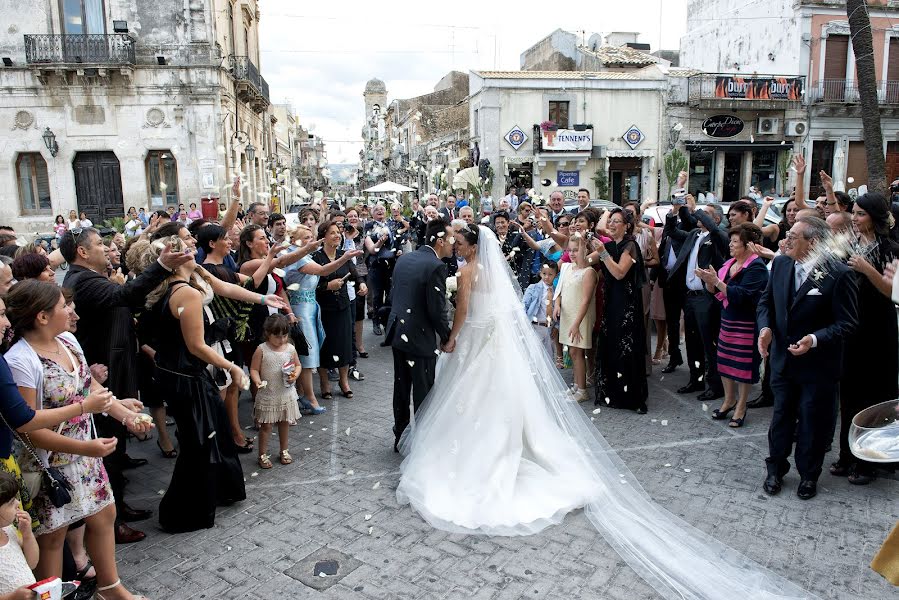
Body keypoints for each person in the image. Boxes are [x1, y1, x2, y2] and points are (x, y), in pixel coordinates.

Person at [395, 224, 815, 600]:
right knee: (497, 402)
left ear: (470, 246)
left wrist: (452, 338)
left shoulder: (468, 272)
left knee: (474, 402)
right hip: (493, 344)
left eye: (459, 240)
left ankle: (480, 457)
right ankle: (511, 446)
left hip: (475, 341)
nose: (455, 245)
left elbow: (466, 313)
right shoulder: (485, 270)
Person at [5, 281, 151, 600]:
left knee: (104, 514)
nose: (71, 311)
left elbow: (90, 390)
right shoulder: (21, 360)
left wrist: (125, 413)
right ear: (42, 316)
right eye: (63, 306)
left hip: (85, 452)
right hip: (49, 463)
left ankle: (110, 588)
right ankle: (53, 596)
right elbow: (28, 427)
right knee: (53, 537)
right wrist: (84, 447)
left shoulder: (69, 341)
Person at [141, 236, 284, 533]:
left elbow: (226, 288)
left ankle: (219, 491)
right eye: (189, 250)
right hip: (185, 374)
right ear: (175, 260)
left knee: (210, 432)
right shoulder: (186, 294)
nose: (196, 251)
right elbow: (195, 345)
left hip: (180, 371)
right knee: (198, 441)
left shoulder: (190, 279)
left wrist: (262, 299)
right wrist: (232, 367)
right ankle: (182, 512)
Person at [61, 227, 190, 543]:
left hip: (115, 370)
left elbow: (121, 304)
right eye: (99, 244)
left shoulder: (88, 278)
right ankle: (112, 521)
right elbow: (122, 296)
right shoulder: (82, 281)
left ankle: (120, 506)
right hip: (105, 374)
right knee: (109, 446)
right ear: (81, 251)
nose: (106, 249)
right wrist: (159, 265)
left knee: (116, 445)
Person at [757, 216, 859, 500]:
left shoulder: (838, 273)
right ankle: (775, 469)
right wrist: (765, 328)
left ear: (813, 242)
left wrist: (814, 340)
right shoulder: (780, 264)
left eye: (793, 237)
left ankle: (809, 475)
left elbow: (848, 323)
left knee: (812, 422)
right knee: (780, 419)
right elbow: (766, 302)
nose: (785, 241)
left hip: (818, 366)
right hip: (782, 361)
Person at [831, 192, 899, 485]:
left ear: (875, 217)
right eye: (854, 213)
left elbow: (891, 291)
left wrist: (866, 269)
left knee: (873, 395)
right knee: (849, 394)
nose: (855, 219)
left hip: (878, 330)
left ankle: (868, 461)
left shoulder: (891, 248)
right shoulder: (847, 245)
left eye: (860, 214)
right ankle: (847, 454)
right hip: (851, 327)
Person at [386, 218, 454, 453]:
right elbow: (436, 310)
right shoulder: (436, 266)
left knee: (401, 387)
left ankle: (400, 435)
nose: (453, 244)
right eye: (451, 239)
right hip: (420, 337)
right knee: (423, 390)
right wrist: (447, 336)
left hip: (398, 332)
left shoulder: (405, 259)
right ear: (440, 241)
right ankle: (421, 441)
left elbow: (395, 294)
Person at [696, 223, 769, 427]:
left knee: (743, 366)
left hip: (746, 322)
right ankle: (729, 400)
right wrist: (709, 281)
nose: (730, 245)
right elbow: (717, 293)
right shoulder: (729, 263)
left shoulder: (756, 267)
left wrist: (717, 282)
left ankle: (741, 406)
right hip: (728, 319)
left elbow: (743, 295)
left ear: (748, 245)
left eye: (735, 242)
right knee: (725, 361)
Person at [662, 198, 728, 401]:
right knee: (692, 340)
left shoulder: (718, 236)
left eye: (705, 214)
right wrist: (674, 211)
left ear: (715, 218)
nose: (698, 217)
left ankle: (715, 385)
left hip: (706, 297)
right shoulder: (694, 234)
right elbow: (672, 232)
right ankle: (696, 378)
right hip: (689, 295)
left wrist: (694, 208)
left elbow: (716, 233)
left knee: (708, 341)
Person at [592, 208, 648, 412]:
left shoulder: (629, 245)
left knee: (627, 348)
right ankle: (614, 394)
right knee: (612, 345)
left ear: (627, 226)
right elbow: (600, 227)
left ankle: (633, 398)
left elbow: (619, 273)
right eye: (612, 221)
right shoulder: (612, 243)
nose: (612, 224)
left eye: (618, 221)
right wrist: (607, 212)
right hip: (612, 300)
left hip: (626, 303)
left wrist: (603, 253)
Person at [312, 222, 366, 400]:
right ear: (323, 237)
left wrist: (362, 284)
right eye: (332, 233)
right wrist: (327, 285)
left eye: (338, 232)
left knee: (344, 344)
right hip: (324, 308)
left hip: (342, 306)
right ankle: (325, 382)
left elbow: (354, 273)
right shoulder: (316, 258)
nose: (337, 235)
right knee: (325, 345)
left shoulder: (344, 255)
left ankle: (344, 381)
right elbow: (310, 285)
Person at [249, 314, 301, 469]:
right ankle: (262, 454)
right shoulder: (262, 350)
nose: (282, 340)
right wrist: (257, 380)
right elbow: (253, 368)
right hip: (268, 394)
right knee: (266, 426)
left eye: (284, 335)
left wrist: (295, 375)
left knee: (284, 423)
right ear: (267, 333)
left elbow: (298, 365)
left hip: (285, 394)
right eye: (277, 336)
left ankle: (284, 450)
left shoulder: (290, 349)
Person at [553, 235, 596, 403]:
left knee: (578, 351)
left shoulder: (589, 272)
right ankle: (577, 385)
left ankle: (582, 389)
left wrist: (577, 323)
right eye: (569, 250)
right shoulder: (567, 268)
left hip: (580, 317)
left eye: (576, 250)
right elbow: (560, 289)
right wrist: (557, 304)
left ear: (584, 250)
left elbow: (585, 300)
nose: (571, 254)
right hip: (567, 314)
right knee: (572, 351)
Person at [0, 471, 37, 596]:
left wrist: (27, 535)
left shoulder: (8, 530)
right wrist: (12, 597)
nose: (17, 503)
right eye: (10, 502)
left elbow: (32, 563)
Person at [522, 263, 557, 360]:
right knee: (535, 358)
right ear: (540, 273)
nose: (547, 277)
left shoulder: (557, 291)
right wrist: (525, 324)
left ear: (556, 275)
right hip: (535, 327)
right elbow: (524, 306)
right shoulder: (533, 288)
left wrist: (557, 327)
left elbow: (560, 310)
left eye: (550, 274)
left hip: (549, 329)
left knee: (549, 359)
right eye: (544, 273)